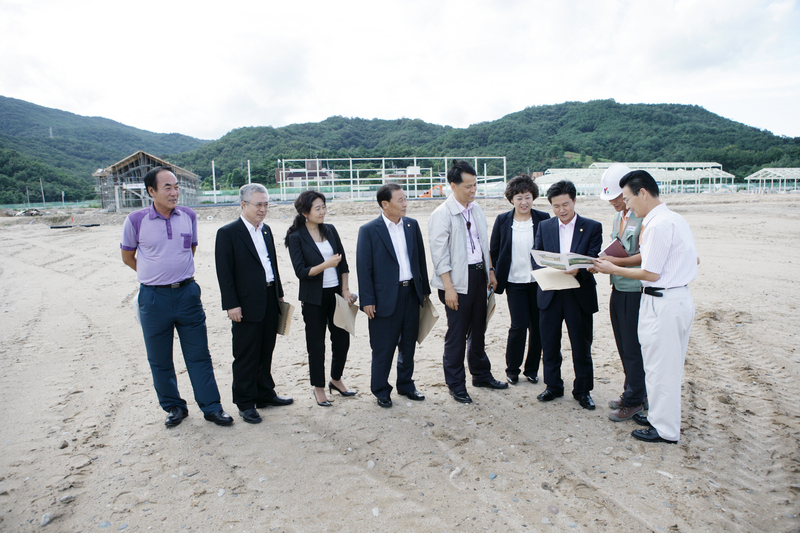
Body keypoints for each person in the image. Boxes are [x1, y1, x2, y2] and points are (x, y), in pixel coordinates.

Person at [120, 166, 233, 428]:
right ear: (151, 191)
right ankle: (174, 407)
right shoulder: (136, 220)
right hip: (153, 298)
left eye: (176, 187)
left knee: (199, 354)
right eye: (167, 187)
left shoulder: (188, 216)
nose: (174, 193)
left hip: (187, 294)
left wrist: (175, 275)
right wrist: (154, 276)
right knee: (159, 359)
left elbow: (190, 249)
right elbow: (128, 257)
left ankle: (212, 407)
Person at [593, 170, 698, 444]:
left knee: (662, 369)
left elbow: (650, 272)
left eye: (628, 198)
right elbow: (693, 259)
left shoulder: (658, 225)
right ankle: (659, 418)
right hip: (669, 297)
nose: (627, 205)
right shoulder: (673, 219)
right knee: (657, 366)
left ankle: (665, 430)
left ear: (642, 192)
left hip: (664, 299)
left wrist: (612, 268)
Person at [429, 160, 508, 404]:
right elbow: (439, 256)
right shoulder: (441, 214)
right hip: (455, 281)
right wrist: (449, 288)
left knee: (479, 329)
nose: (473, 190)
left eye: (475, 185)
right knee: (457, 334)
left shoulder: (476, 209)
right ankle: (456, 384)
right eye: (468, 186)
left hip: (479, 276)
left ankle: (481, 375)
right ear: (453, 186)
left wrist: (490, 271)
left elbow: (484, 244)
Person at [214, 184, 293, 425]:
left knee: (266, 349)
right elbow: (224, 273)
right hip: (245, 303)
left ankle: (265, 393)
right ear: (243, 204)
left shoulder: (266, 230)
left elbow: (271, 265)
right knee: (246, 354)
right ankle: (245, 402)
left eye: (266, 204)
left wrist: (279, 294)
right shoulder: (228, 233)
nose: (263, 209)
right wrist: (231, 305)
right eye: (258, 204)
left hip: (269, 297)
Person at [357, 183, 431, 408]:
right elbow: (364, 268)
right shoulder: (369, 230)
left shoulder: (411, 225)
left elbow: (420, 259)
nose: (405, 203)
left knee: (408, 344)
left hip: (411, 293)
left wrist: (424, 291)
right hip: (384, 298)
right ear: (385, 204)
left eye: (405, 199)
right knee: (383, 347)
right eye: (400, 200)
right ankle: (381, 389)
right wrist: (367, 300)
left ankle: (406, 385)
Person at [533, 180, 602, 410]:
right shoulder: (545, 226)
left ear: (574, 201)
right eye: (556, 206)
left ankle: (583, 391)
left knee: (581, 346)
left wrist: (578, 268)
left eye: (565, 204)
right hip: (551, 291)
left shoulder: (592, 226)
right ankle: (553, 386)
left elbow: (593, 257)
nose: (561, 210)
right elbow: (537, 255)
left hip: (578, 293)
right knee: (549, 344)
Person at [286, 190, 356, 407]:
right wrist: (325, 265)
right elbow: (301, 272)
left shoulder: (331, 230)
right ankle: (318, 387)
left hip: (336, 294)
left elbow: (343, 264)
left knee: (342, 341)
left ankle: (336, 379)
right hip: (313, 298)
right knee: (316, 345)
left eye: (324, 207)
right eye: (317, 208)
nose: (322, 211)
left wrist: (345, 290)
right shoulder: (296, 237)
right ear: (305, 212)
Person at [595, 164, 647, 422]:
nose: (614, 202)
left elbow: (646, 255)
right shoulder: (619, 217)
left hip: (635, 290)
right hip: (618, 286)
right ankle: (633, 391)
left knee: (633, 346)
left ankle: (635, 400)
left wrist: (614, 263)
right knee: (623, 344)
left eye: (617, 197)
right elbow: (616, 245)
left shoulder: (643, 217)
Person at [489, 175, 550, 385]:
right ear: (511, 199)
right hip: (514, 282)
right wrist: (492, 274)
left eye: (528, 197)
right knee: (518, 326)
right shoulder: (503, 220)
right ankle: (512, 369)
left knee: (538, 327)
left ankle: (531, 369)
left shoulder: (543, 218)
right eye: (519, 198)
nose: (524, 202)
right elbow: (494, 250)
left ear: (533, 197)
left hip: (539, 281)